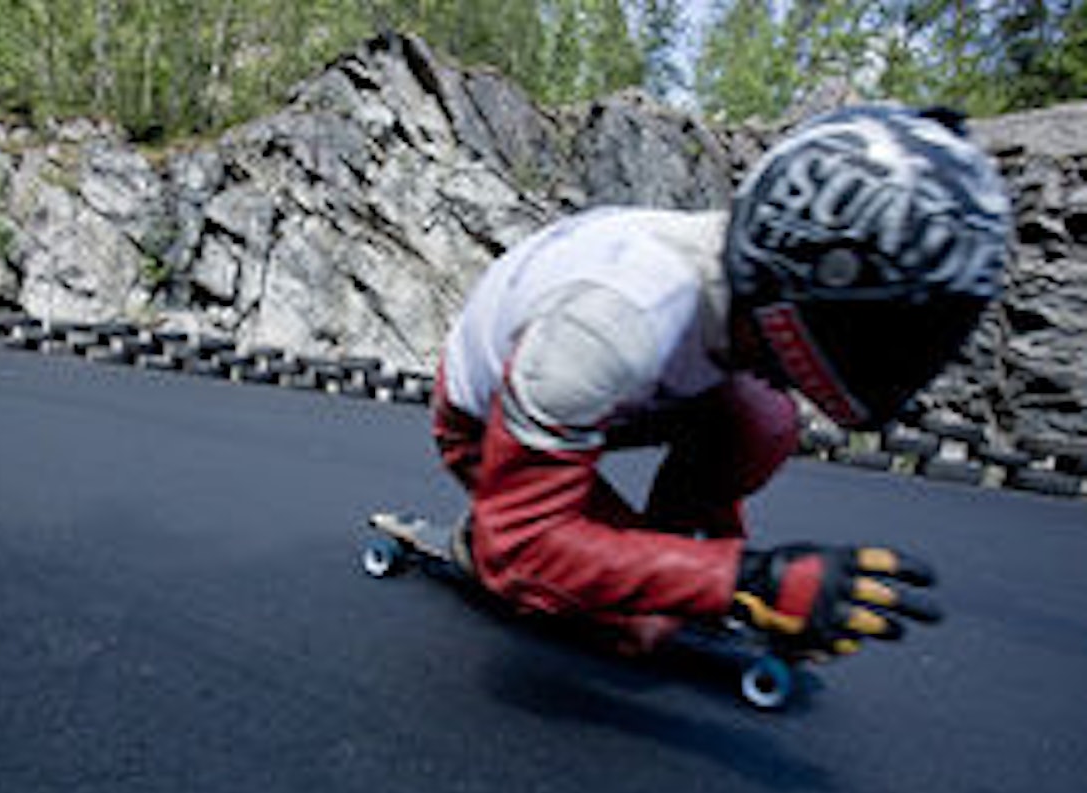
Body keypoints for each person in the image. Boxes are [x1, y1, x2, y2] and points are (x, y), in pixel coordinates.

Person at [429, 104, 1011, 658]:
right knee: (634, 619)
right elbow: (526, 548)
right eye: (880, 334)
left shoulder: (747, 283)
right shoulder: (613, 321)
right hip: (484, 423)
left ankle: (644, 549)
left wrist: (718, 571)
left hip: (607, 385)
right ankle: (477, 538)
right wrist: (746, 580)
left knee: (766, 420)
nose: (896, 359)